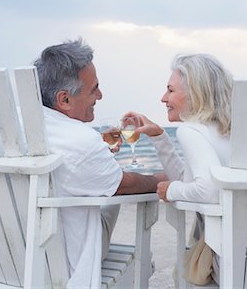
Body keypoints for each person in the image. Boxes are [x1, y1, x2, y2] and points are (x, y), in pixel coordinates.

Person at [34, 39, 158, 288]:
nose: (100, 96)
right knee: (111, 187)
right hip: (63, 260)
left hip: (6, 255)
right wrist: (160, 179)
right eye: (94, 89)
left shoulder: (21, 127)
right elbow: (123, 185)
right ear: (65, 100)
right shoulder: (81, 141)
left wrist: (99, 152)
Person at [126, 53, 233, 285]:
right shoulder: (228, 130)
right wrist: (159, 136)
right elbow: (189, 179)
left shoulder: (191, 131)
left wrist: (170, 191)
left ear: (195, 93)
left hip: (229, 262)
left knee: (183, 271)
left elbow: (208, 190)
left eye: (170, 90)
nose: (163, 98)